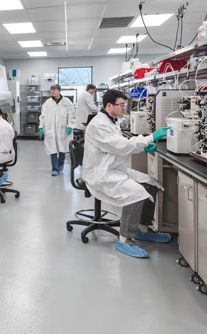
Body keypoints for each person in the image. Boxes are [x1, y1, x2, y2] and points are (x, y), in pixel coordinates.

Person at [81, 88, 172, 258]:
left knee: (150, 183)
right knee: (136, 193)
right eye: (121, 105)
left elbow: (121, 143)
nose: (125, 108)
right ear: (109, 106)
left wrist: (144, 144)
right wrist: (151, 138)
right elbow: (121, 146)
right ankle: (124, 239)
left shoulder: (112, 120)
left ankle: (140, 229)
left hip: (115, 168)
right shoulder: (99, 125)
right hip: (101, 172)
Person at [39, 84, 75, 176]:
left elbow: (71, 114)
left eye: (54, 90)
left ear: (59, 91)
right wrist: (41, 127)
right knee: (53, 149)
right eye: (51, 90)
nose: (52, 92)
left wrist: (70, 126)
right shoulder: (47, 103)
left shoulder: (66, 102)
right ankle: (55, 168)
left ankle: (61, 163)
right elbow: (43, 116)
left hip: (63, 129)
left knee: (62, 148)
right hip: (50, 129)